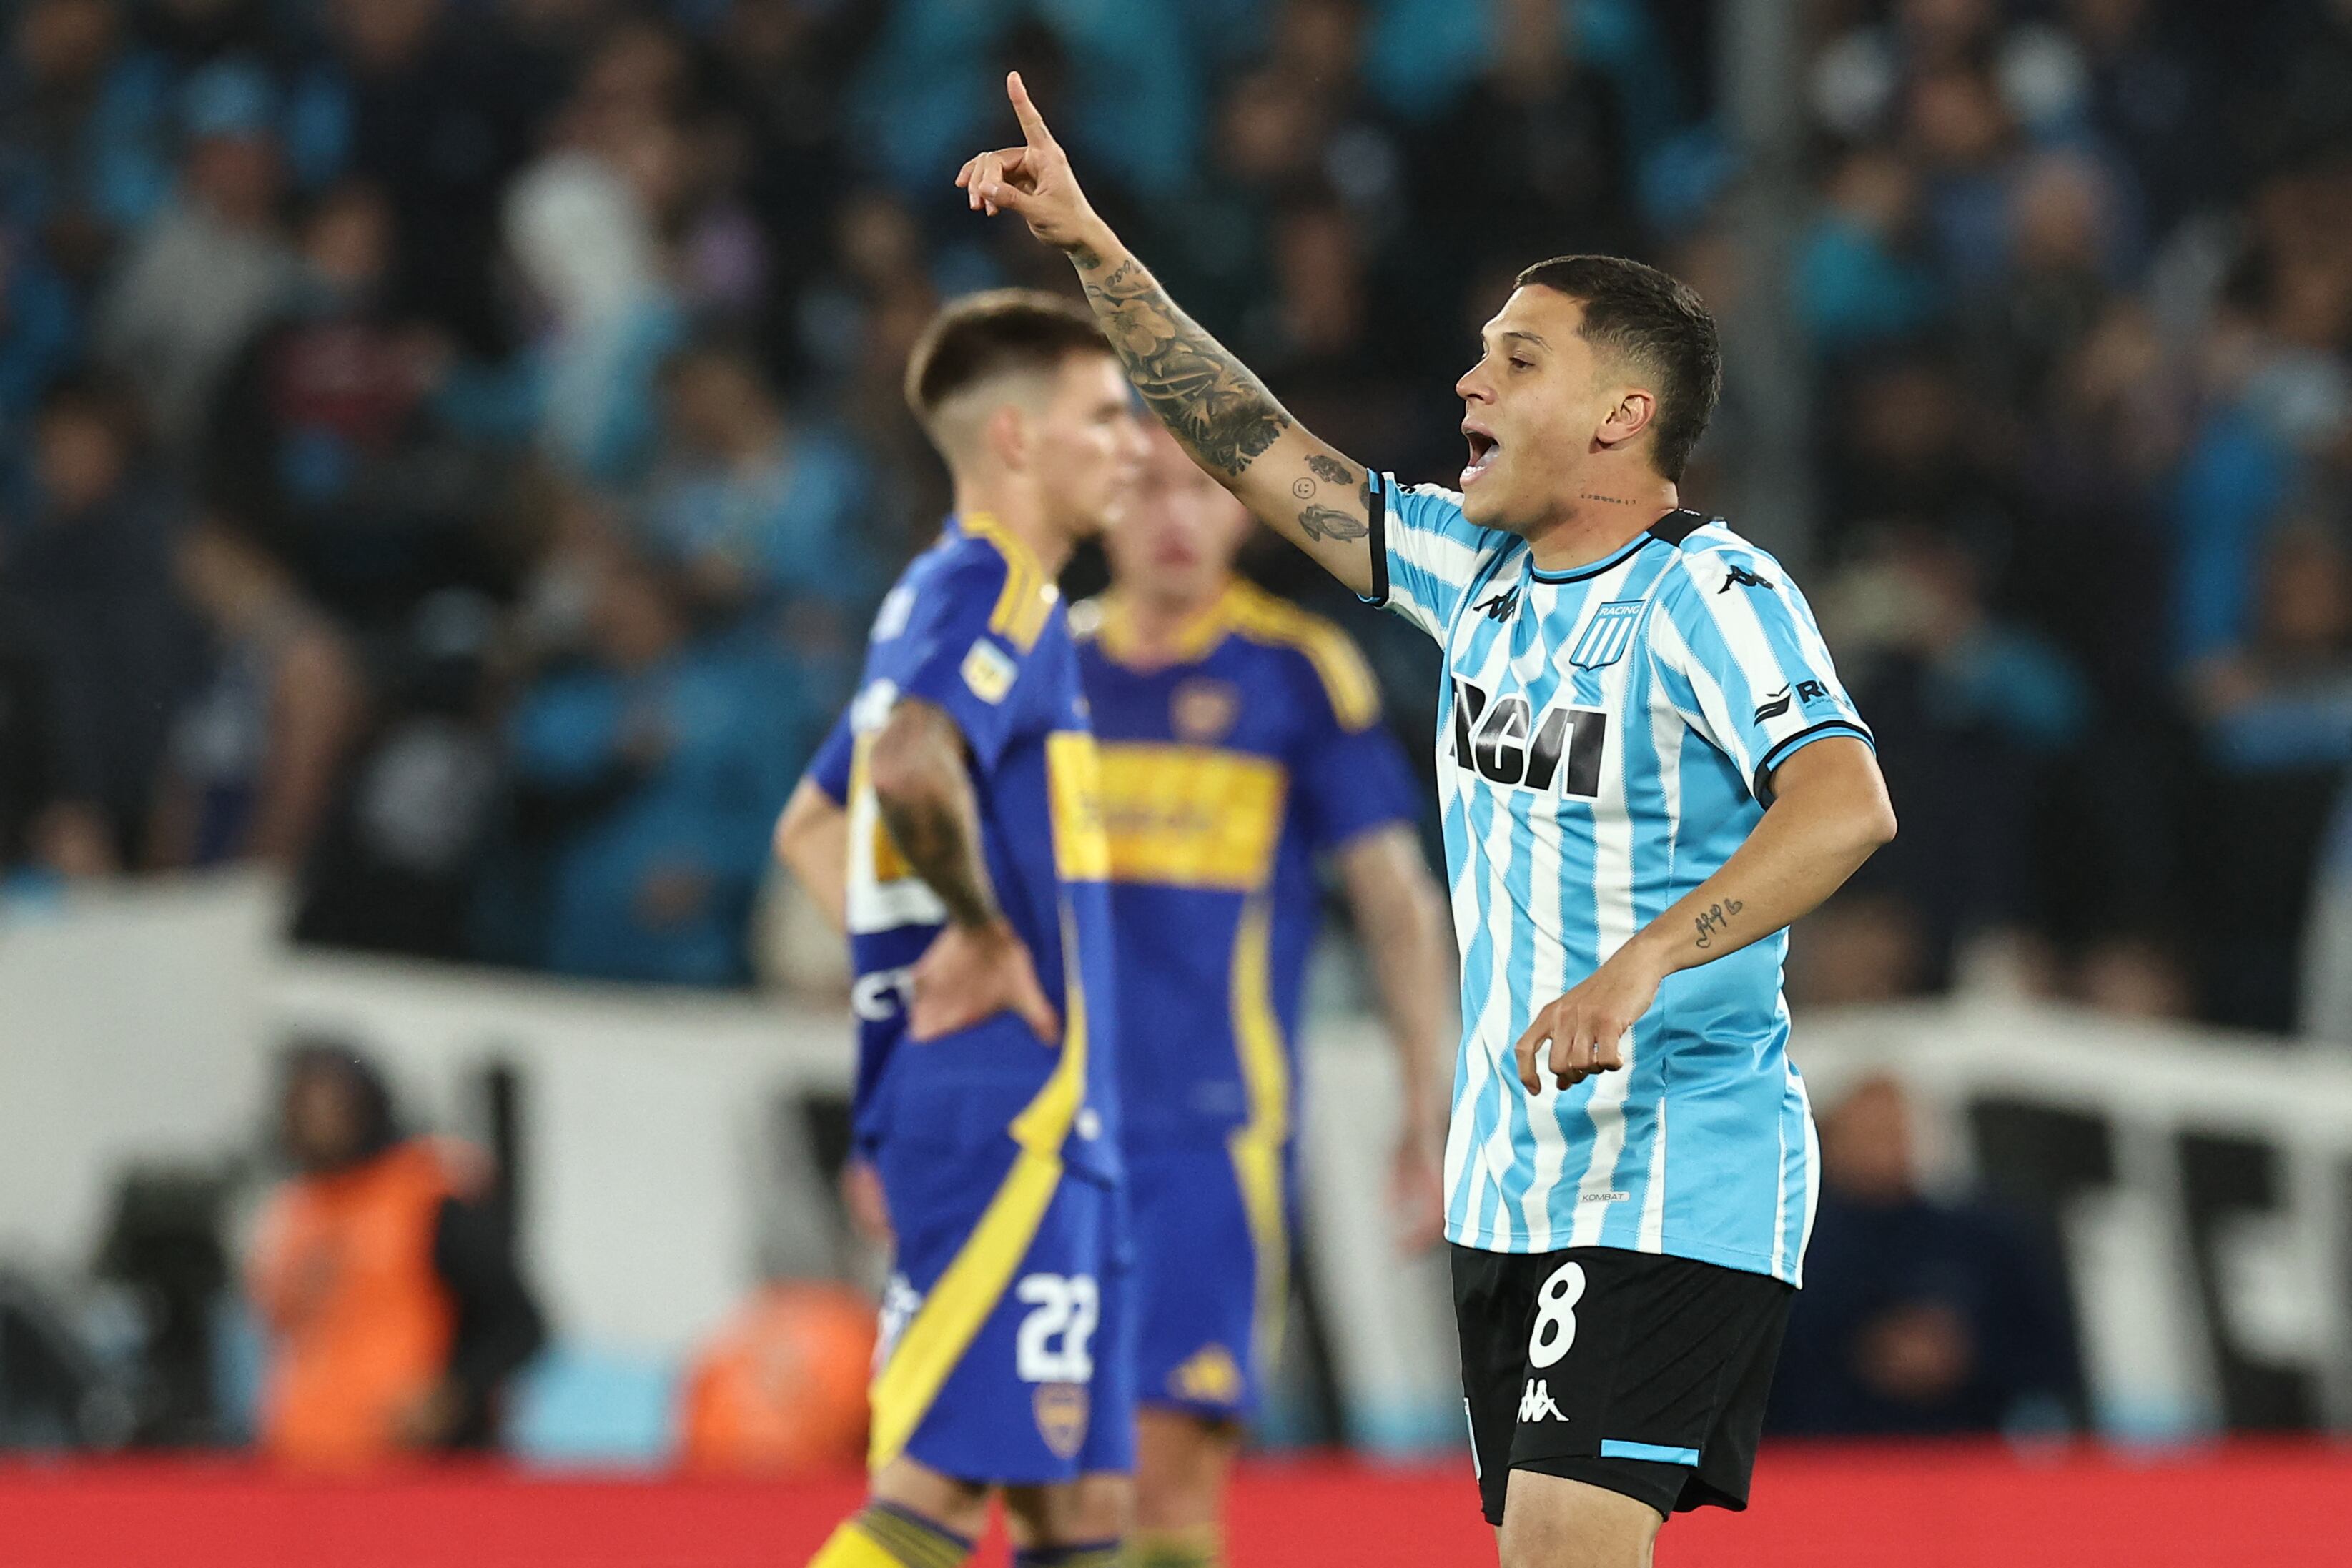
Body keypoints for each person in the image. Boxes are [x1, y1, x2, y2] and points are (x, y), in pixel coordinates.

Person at [957, 74, 1897, 1568]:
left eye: (1516, 358)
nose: (1471, 383)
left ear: (1621, 415)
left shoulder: (1710, 594)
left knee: (1561, 1553)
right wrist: (1091, 246)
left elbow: (1846, 800)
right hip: (1509, 1176)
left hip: (1673, 1162)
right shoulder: (1471, 569)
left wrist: (1646, 958)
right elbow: (1243, 433)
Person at [791, 422, 1456, 1568]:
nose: (1173, 517)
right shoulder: (1039, 661)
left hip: (1208, 1134)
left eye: (1203, 490)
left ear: (1244, 508)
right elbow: (851, 839)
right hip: (1033, 1129)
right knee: (1005, 1473)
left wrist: (1426, 1098)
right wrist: (901, 1094)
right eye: (1145, 488)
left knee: (1157, 1470)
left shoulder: (1296, 671)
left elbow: (1395, 899)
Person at [772, 289, 1147, 1568]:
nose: (1133, 444)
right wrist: (980, 937)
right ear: (1015, 437)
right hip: (1009, 1107)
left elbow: (811, 826)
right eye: (1104, 417)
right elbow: (909, 765)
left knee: (1077, 1505)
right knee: (932, 1491)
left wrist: (901, 977)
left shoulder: (936, 603)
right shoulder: (994, 587)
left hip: (1032, 1105)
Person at [246, 1040, 545, 1469]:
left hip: (405, 1463)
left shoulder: (424, 1199)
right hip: (301, 1460)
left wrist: (452, 1393)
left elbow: (518, 1324)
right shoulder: (297, 1211)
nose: (318, 1123)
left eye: (332, 1107)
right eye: (304, 1108)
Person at [1766, 1075, 2080, 1436]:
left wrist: (1964, 1355)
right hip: (1825, 1452)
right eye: (1869, 1135)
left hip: (1963, 1448)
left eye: (1895, 1134)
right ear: (1830, 1144)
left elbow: (2048, 1357)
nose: (1884, 1150)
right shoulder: (1788, 1247)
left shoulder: (1982, 1240)